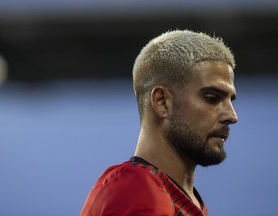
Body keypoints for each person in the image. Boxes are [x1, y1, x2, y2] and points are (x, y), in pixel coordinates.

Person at [81, 29, 238, 216]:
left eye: (231, 100)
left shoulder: (176, 199)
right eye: (212, 98)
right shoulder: (138, 191)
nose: (232, 116)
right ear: (162, 102)